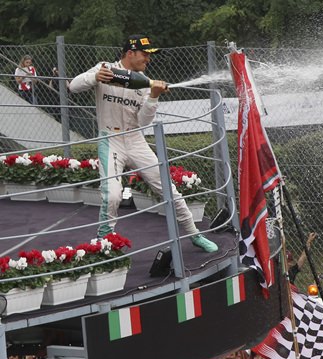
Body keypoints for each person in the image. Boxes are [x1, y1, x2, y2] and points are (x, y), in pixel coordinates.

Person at [68, 34, 217, 252]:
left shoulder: (145, 83)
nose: (148, 59)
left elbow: (143, 122)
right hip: (110, 139)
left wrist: (154, 96)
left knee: (168, 188)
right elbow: (73, 86)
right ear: (130, 53)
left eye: (149, 55)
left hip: (135, 140)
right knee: (113, 193)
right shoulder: (105, 68)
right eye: (144, 54)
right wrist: (95, 77)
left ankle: (194, 234)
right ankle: (104, 240)